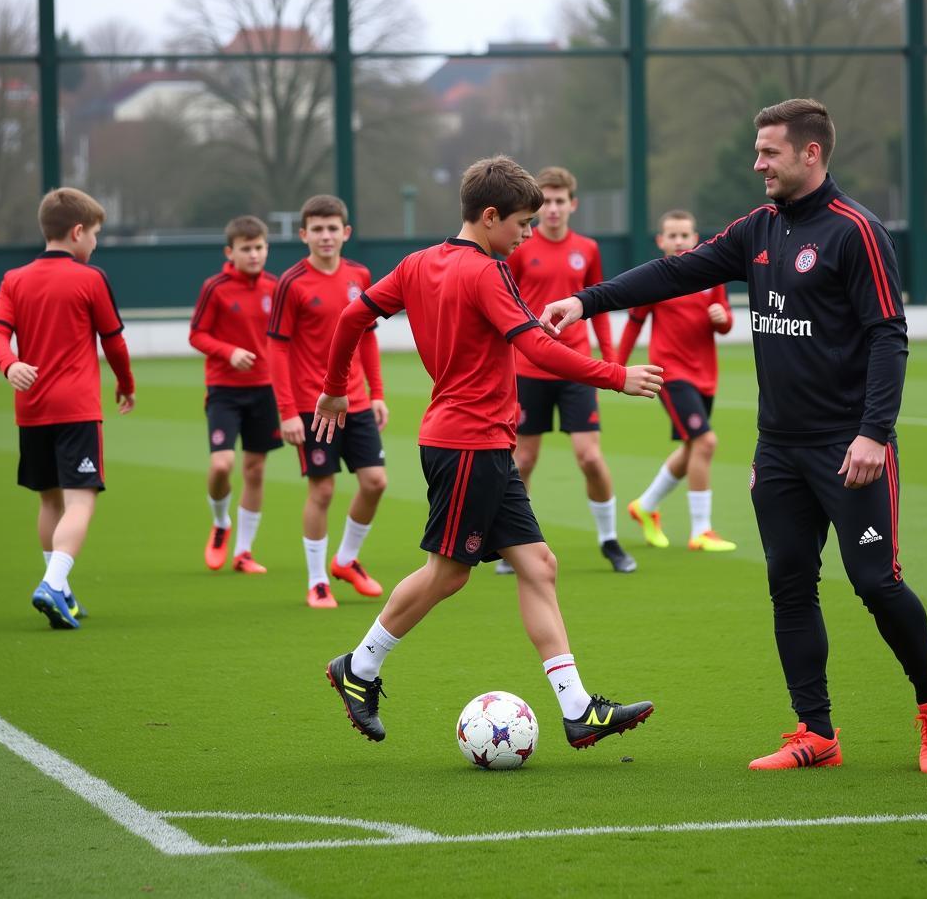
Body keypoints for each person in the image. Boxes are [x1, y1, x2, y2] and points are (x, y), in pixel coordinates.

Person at [538, 99, 927, 774]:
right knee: (789, 583)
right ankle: (814, 733)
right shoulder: (757, 228)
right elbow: (675, 272)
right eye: (758, 152)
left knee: (876, 582)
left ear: (810, 154)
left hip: (849, 448)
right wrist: (586, 301)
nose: (757, 163)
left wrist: (874, 434)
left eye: (769, 152)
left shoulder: (857, 232)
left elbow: (888, 335)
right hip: (780, 449)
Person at [312, 155, 660, 749]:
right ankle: (359, 669)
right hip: (467, 442)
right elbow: (540, 354)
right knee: (447, 575)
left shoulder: (419, 263)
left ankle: (578, 711)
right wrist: (615, 376)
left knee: (539, 565)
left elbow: (352, 316)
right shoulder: (487, 272)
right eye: (522, 222)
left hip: (478, 441)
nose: (528, 233)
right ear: (491, 216)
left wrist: (337, 390)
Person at [0, 187, 136, 630]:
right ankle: (53, 584)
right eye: (95, 234)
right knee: (81, 501)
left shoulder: (14, 278)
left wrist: (9, 364)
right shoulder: (91, 279)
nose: (95, 243)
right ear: (76, 232)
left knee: (49, 499)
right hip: (76, 408)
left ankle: (62, 590)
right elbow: (115, 343)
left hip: (30, 409)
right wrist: (126, 385)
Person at [500, 165, 634, 575]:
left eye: (561, 201)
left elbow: (599, 306)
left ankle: (609, 539)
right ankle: (512, 544)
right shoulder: (521, 246)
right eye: (547, 202)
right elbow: (509, 306)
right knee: (523, 460)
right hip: (530, 368)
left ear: (572, 204)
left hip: (576, 368)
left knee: (589, 457)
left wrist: (610, 361)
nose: (554, 209)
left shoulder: (588, 249)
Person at [267, 194, 387, 609]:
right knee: (322, 491)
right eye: (316, 229)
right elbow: (277, 349)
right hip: (312, 406)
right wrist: (287, 412)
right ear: (303, 235)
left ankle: (346, 560)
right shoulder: (291, 282)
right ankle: (317, 581)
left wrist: (377, 394)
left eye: (332, 228)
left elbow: (368, 337)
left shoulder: (360, 274)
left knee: (375, 482)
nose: (325, 236)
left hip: (355, 401)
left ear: (346, 232)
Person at [619, 209, 737, 553]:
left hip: (705, 375)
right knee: (706, 443)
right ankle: (701, 531)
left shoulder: (712, 277)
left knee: (692, 448)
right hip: (669, 374)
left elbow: (725, 322)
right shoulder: (657, 279)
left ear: (696, 238)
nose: (679, 241)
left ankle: (645, 506)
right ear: (661, 241)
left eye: (684, 235)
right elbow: (633, 324)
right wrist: (615, 368)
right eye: (672, 235)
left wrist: (722, 318)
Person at [190, 215, 281, 574]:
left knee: (255, 470)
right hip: (225, 390)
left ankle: (243, 552)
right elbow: (197, 335)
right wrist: (229, 352)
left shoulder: (276, 286)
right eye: (246, 249)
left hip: (266, 390)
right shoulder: (215, 287)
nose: (254, 254)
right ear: (231, 252)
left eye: (259, 247)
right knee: (221, 464)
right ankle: (220, 522)